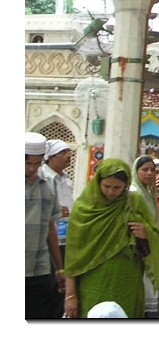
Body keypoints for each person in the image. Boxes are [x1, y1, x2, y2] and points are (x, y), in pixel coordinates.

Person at [63, 157, 159, 318]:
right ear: (98, 183)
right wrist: (70, 295)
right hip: (93, 282)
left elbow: (155, 234)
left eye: (117, 187)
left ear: (126, 186)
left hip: (127, 280)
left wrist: (146, 233)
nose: (111, 192)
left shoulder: (133, 202)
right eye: (106, 186)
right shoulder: (84, 209)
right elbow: (73, 257)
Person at [25, 132, 63, 320]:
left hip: (39, 269)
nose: (32, 169)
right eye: (27, 163)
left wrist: (59, 267)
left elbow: (50, 227)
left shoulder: (48, 185)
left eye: (37, 163)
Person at [130, 155, 159, 318]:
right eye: (144, 170)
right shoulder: (133, 193)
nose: (150, 173)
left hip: (150, 248)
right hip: (138, 253)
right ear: (135, 171)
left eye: (152, 170)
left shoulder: (148, 193)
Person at [39, 139, 74, 266]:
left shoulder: (66, 180)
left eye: (69, 152)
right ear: (51, 157)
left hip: (64, 237)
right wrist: (55, 209)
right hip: (45, 238)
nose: (68, 156)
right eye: (63, 152)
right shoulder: (41, 177)